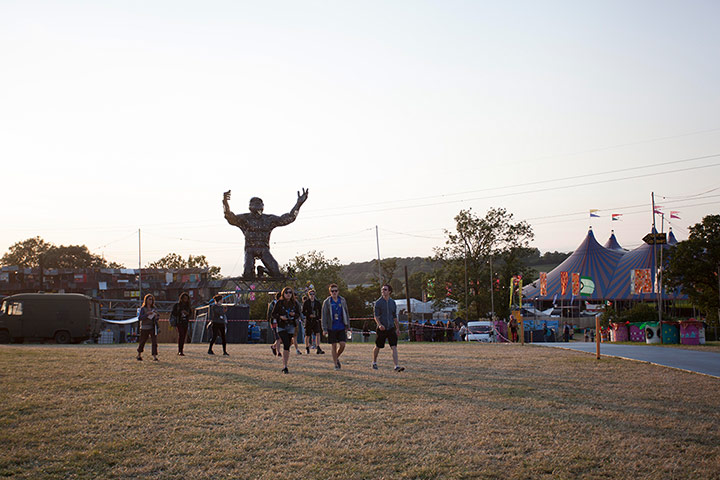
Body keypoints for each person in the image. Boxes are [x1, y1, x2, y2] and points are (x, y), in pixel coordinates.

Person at [223, 189, 308, 278]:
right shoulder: (245, 219)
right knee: (247, 275)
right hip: (250, 249)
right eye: (254, 204)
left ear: (262, 206)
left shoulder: (269, 219)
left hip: (263, 249)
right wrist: (225, 202)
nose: (257, 206)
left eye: (259, 204)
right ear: (250, 206)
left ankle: (263, 270)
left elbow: (289, 218)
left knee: (276, 274)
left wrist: (298, 204)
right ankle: (253, 272)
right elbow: (229, 217)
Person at [371, 284, 404, 372]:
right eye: (382, 290)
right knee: (378, 346)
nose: (383, 291)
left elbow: (394, 317)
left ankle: (396, 366)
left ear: (389, 291)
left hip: (391, 328)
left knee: (394, 346)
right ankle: (374, 362)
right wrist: (380, 325)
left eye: (385, 289)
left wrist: (397, 328)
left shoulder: (392, 303)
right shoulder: (378, 303)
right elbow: (376, 316)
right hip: (382, 328)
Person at [271, 286, 301, 374]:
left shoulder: (295, 303)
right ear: (283, 294)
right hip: (282, 326)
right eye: (286, 292)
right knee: (286, 343)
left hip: (291, 325)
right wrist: (280, 317)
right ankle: (284, 366)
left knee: (287, 346)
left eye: (290, 292)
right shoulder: (279, 303)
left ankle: (285, 364)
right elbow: (273, 314)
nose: (288, 294)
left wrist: (294, 314)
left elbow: (298, 314)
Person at [321, 283, 350, 370]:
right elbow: (324, 316)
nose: (334, 292)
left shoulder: (342, 300)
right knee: (334, 345)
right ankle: (335, 364)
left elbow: (346, 313)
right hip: (331, 327)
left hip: (341, 326)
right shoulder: (327, 302)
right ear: (330, 292)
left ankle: (336, 357)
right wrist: (324, 328)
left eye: (336, 291)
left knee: (342, 344)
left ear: (338, 291)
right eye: (332, 291)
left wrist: (348, 326)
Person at [137, 294, 159, 361]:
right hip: (144, 327)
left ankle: (154, 356)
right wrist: (147, 314)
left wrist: (155, 316)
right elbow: (140, 318)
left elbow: (157, 317)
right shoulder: (143, 309)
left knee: (154, 342)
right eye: (149, 299)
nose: (150, 301)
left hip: (152, 326)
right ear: (146, 300)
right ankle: (139, 354)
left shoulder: (154, 308)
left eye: (151, 299)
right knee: (142, 341)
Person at [302, 289, 325, 354]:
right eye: (310, 294)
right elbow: (303, 311)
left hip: (315, 321)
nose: (312, 296)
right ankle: (307, 348)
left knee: (317, 333)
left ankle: (318, 347)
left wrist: (317, 317)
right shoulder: (306, 303)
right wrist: (309, 315)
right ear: (308, 295)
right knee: (308, 335)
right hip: (308, 321)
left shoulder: (317, 303)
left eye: (313, 294)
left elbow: (320, 311)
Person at [267, 291, 282, 356]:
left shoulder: (283, 304)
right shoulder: (272, 304)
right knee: (278, 338)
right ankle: (278, 352)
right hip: (274, 322)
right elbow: (269, 314)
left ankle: (274, 346)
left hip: (281, 323)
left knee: (281, 338)